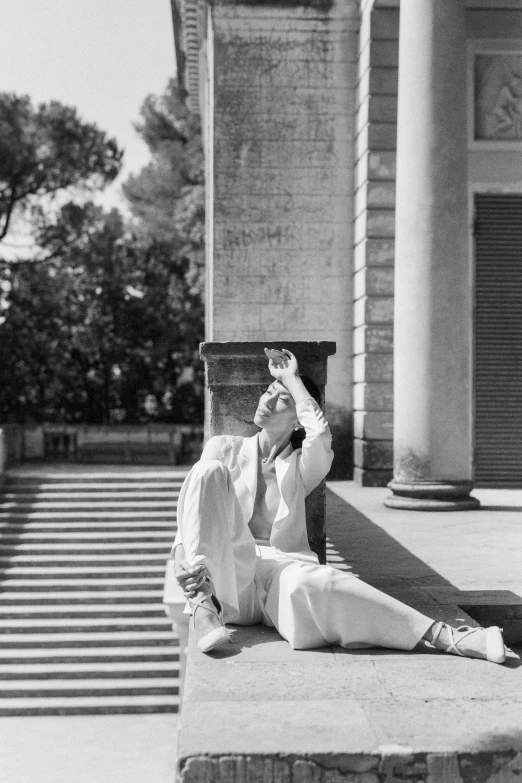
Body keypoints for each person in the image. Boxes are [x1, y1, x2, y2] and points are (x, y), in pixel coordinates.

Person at [171, 348, 514, 663]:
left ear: (296, 419)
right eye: (268, 391)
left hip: (278, 576)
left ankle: (448, 637)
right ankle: (201, 604)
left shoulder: (301, 466)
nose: (268, 400)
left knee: (320, 583)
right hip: (225, 579)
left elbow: (319, 435)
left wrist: (292, 377)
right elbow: (196, 513)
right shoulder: (225, 448)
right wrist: (182, 563)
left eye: (282, 399)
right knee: (208, 470)